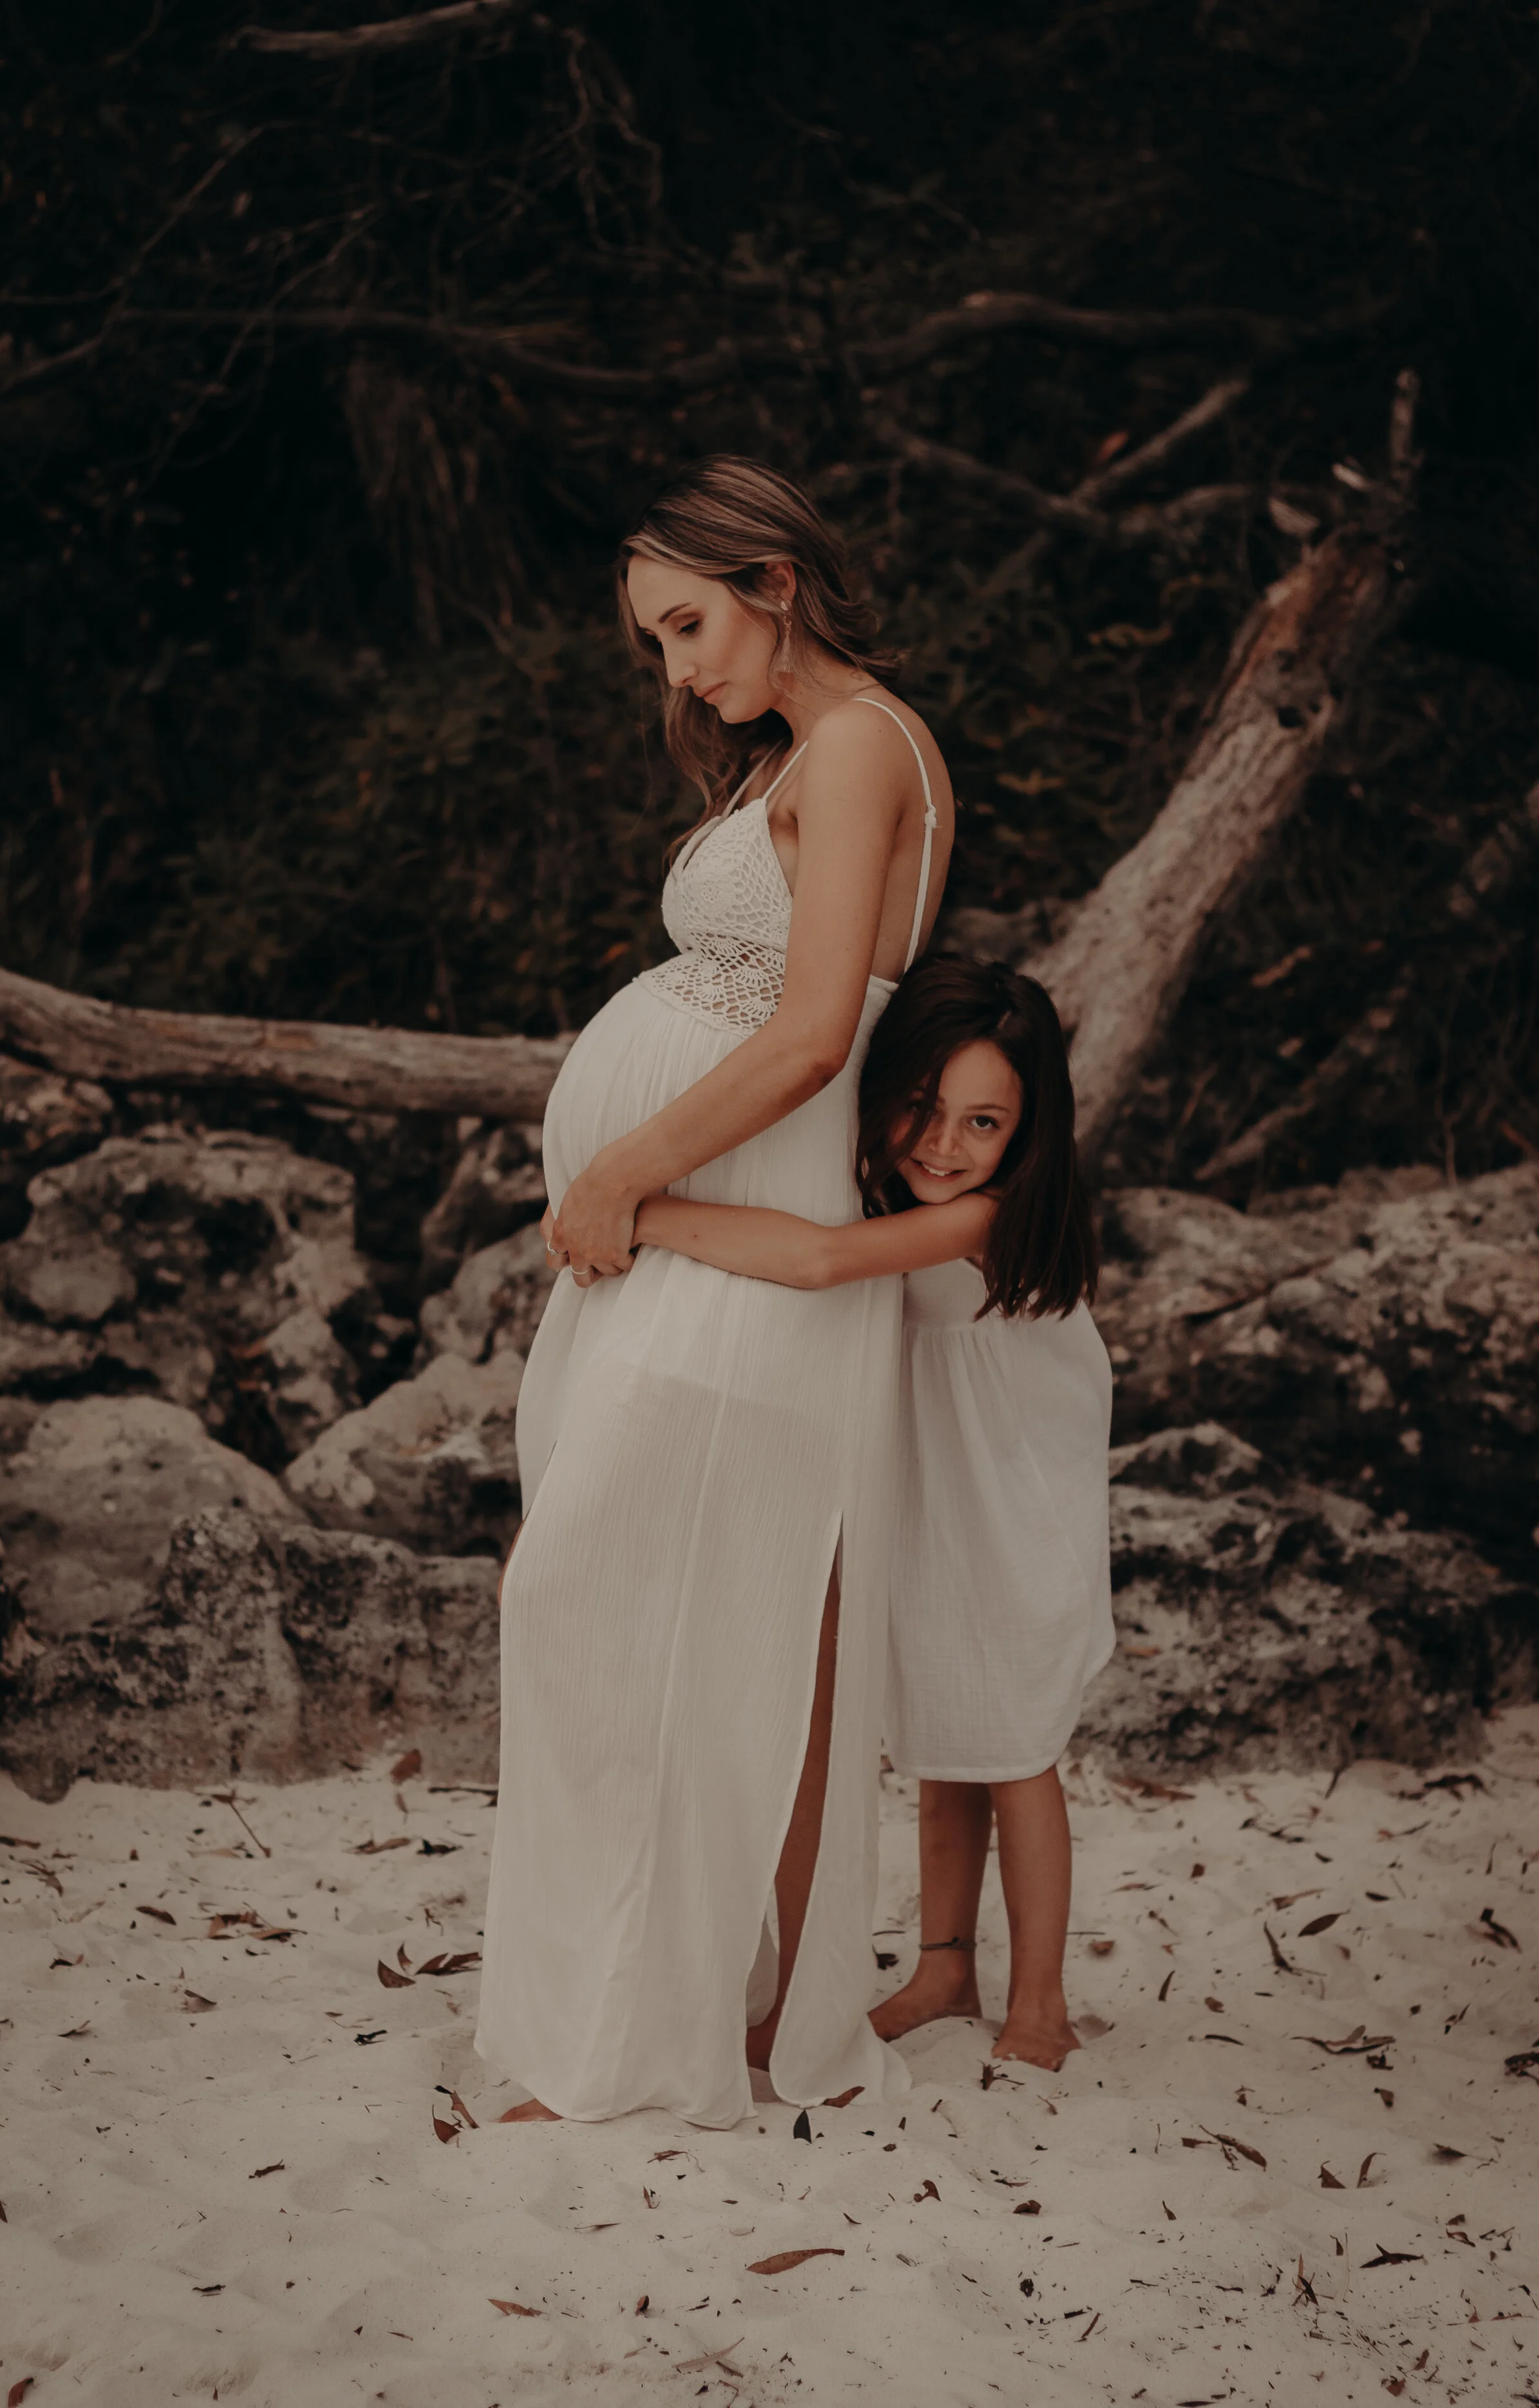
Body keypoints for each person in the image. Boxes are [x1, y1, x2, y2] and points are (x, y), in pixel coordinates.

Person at [476, 455, 953, 2125]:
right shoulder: (801, 754)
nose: (676, 671)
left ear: (774, 580)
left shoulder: (863, 743)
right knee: (666, 1608)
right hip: (701, 1222)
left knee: (670, 1609)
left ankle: (672, 2030)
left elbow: (816, 1030)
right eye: (655, 642)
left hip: (742, 1216)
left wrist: (620, 1171)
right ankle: (699, 2012)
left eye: (687, 625)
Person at [632, 958, 1111, 2073]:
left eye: (982, 1121)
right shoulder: (908, 1192)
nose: (943, 1142)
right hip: (943, 1504)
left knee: (1016, 1753)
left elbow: (815, 1260)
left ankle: (1041, 2000)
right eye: (924, 1107)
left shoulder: (985, 1217)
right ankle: (946, 1969)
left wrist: (646, 1208)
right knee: (949, 1740)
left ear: (1027, 1133)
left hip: (1017, 1512)